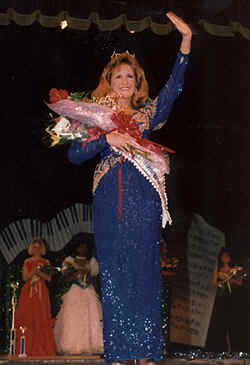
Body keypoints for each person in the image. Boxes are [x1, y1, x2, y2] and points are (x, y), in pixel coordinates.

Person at [68, 11, 192, 365]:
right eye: (119, 76)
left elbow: (174, 86)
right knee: (116, 271)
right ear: (109, 80)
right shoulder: (94, 116)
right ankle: (120, 352)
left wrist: (186, 42)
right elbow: (75, 155)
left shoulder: (148, 113)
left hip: (144, 198)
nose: (125, 81)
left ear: (138, 83)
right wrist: (107, 137)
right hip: (109, 199)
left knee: (145, 270)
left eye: (131, 77)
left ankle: (147, 352)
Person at [54, 242, 103, 355]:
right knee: (73, 318)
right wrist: (76, 273)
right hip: (75, 291)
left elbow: (94, 276)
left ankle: (90, 345)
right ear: (76, 247)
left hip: (88, 292)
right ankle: (72, 345)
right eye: (81, 245)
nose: (83, 247)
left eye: (85, 246)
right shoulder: (69, 261)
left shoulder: (92, 262)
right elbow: (65, 278)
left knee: (89, 317)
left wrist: (88, 275)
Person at [15, 238, 56, 356]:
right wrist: (34, 271)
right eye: (34, 247)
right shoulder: (27, 261)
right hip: (29, 293)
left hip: (41, 292)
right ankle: (26, 349)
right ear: (31, 249)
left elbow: (49, 278)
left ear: (42, 248)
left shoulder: (46, 262)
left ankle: (42, 348)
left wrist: (39, 273)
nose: (36, 249)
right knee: (28, 318)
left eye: (39, 247)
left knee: (41, 318)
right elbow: (24, 277)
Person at [206, 248, 243, 352]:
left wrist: (230, 278)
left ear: (230, 258)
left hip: (232, 298)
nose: (225, 258)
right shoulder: (217, 269)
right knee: (221, 322)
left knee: (232, 322)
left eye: (227, 256)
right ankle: (221, 348)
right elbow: (214, 283)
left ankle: (232, 348)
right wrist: (219, 284)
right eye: (223, 256)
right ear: (221, 258)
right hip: (221, 298)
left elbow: (240, 283)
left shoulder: (234, 270)